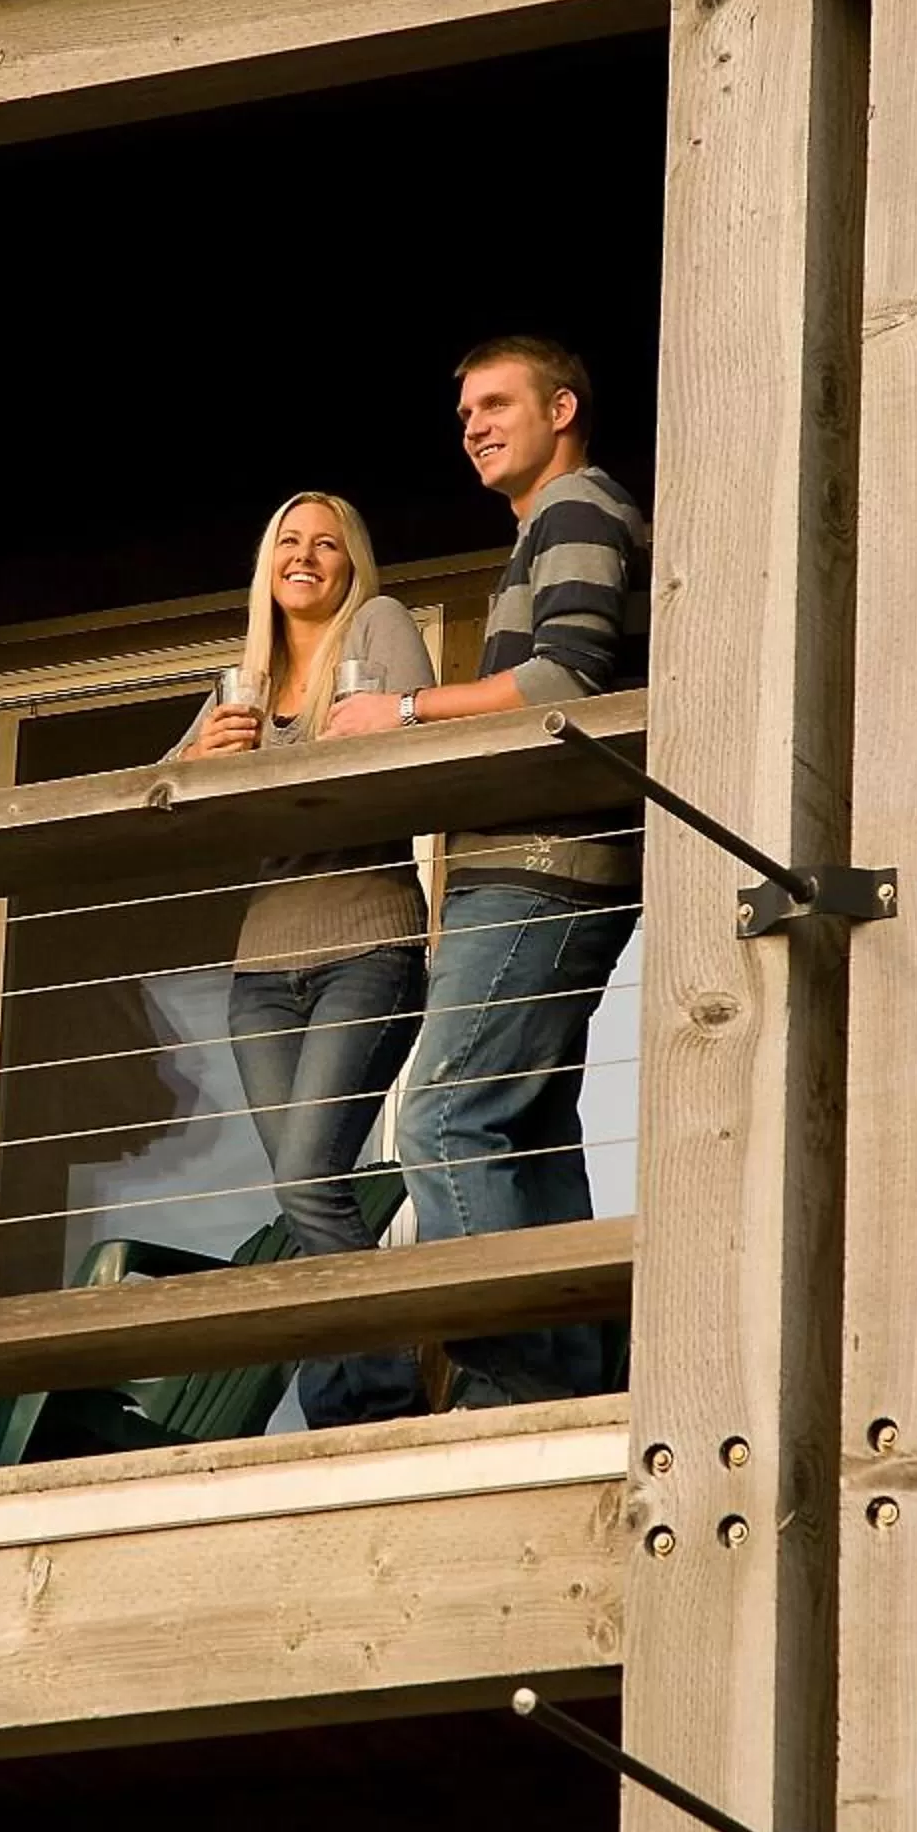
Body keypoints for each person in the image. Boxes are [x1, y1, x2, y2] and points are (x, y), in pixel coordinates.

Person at [324, 336, 650, 1405]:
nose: (472, 423)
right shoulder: (549, 527)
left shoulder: (577, 509)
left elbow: (569, 673)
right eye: (462, 410)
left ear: (564, 408)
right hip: (547, 864)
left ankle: (507, 1384)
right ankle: (562, 1377)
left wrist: (402, 713)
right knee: (529, 1129)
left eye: (495, 402)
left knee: (445, 1115)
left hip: (544, 864)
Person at [176, 492, 439, 1425]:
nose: (307, 555)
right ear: (266, 564)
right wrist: (206, 751)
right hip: (260, 972)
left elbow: (415, 747)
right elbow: (161, 799)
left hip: (365, 941)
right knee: (306, 1196)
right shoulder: (241, 678)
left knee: (307, 1182)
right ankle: (347, 1405)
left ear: (351, 564)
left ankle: (383, 1396)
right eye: (289, 540)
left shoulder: (377, 627)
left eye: (328, 543)